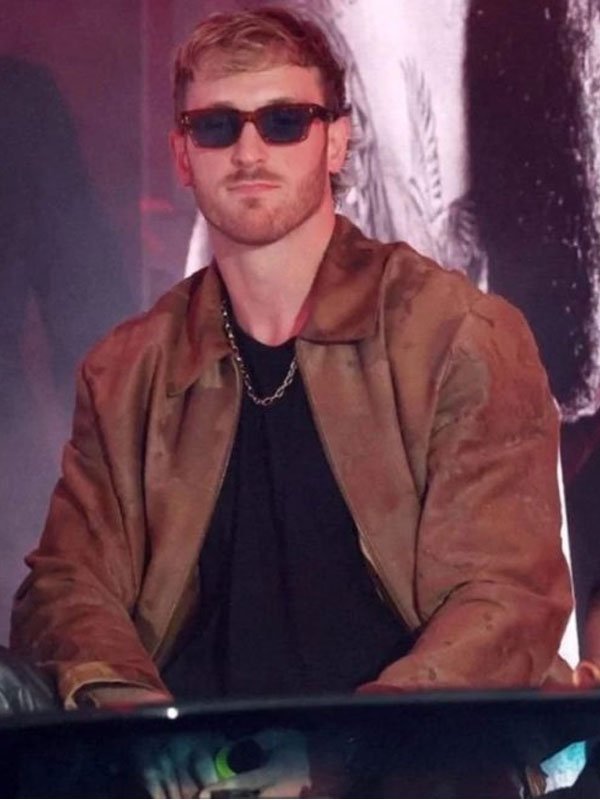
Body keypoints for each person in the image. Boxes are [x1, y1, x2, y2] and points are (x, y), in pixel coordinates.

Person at [9, 4, 572, 796]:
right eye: (216, 127)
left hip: (404, 767)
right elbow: (67, 589)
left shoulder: (458, 335)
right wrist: (141, 727)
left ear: (336, 141)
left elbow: (505, 598)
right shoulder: (127, 370)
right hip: (189, 775)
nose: (249, 151)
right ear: (181, 153)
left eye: (283, 121)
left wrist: (333, 755)